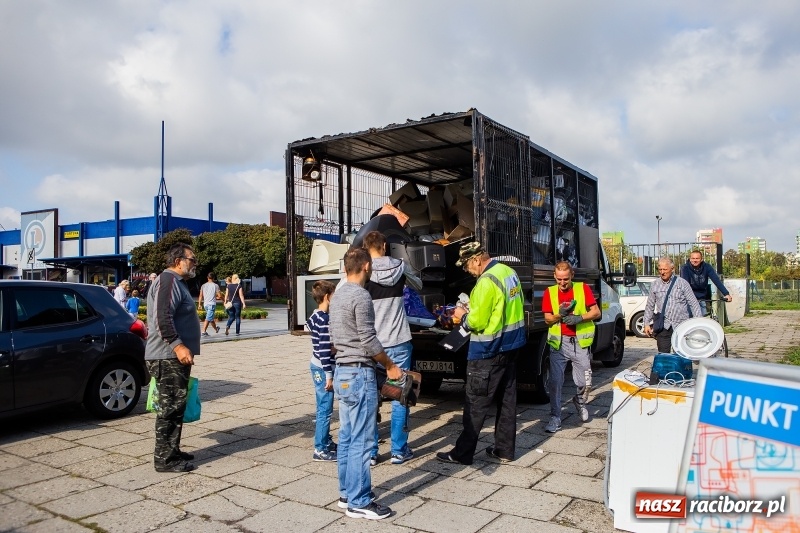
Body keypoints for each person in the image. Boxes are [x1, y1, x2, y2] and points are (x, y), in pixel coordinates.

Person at [436, 241, 525, 465]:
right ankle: (504, 450)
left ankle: (462, 454)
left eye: (466, 265)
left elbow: (477, 321)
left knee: (475, 404)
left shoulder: (485, 282)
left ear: (476, 259)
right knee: (507, 401)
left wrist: (462, 315)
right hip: (511, 346)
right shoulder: (508, 272)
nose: (466, 270)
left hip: (488, 351)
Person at [329, 247, 401, 520]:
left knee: (347, 436)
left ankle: (347, 493)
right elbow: (369, 341)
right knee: (362, 439)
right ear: (367, 267)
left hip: (343, 373)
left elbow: (335, 338)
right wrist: (390, 365)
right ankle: (359, 501)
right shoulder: (361, 295)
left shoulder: (337, 296)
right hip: (359, 374)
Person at [145, 243, 201, 473]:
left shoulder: (177, 283)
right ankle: (165, 460)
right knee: (169, 408)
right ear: (179, 261)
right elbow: (162, 318)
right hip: (166, 356)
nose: (195, 264)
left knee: (176, 406)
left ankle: (172, 450)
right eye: (192, 259)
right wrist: (178, 346)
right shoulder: (168, 281)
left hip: (172, 356)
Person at [362, 230, 415, 466]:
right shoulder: (400, 266)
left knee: (371, 397)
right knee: (400, 396)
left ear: (367, 247)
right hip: (399, 340)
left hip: (374, 345)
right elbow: (419, 283)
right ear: (384, 245)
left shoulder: (364, 271)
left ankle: (372, 452)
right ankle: (398, 450)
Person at [541, 261, 602, 433]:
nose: (562, 283)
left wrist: (579, 318)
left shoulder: (582, 289)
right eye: (559, 279)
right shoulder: (550, 292)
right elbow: (547, 319)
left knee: (585, 381)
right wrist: (559, 315)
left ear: (572, 276)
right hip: (559, 343)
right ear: (554, 276)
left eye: (565, 279)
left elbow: (596, 312)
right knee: (555, 382)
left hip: (579, 342)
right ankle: (555, 417)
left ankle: (580, 401)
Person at [306, 280, 337, 462]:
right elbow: (325, 351)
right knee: (325, 410)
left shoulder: (315, 316)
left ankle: (325, 440)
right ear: (327, 297)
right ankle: (320, 449)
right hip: (324, 368)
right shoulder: (325, 320)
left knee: (321, 408)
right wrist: (329, 375)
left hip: (315, 363)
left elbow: (320, 342)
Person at [644, 257, 702, 353]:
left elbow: (693, 303)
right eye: (660, 269)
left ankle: (679, 368)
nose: (662, 272)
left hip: (681, 325)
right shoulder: (655, 285)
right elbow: (650, 305)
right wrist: (646, 323)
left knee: (681, 354)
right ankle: (666, 368)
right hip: (663, 325)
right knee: (663, 355)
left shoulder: (682, 283)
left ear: (672, 269)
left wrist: (698, 322)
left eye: (665, 269)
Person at [680, 250, 732, 316]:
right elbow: (685, 284)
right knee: (690, 322)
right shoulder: (685, 268)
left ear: (701, 259)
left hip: (701, 298)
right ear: (690, 259)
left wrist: (726, 294)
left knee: (702, 321)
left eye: (697, 258)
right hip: (689, 299)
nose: (695, 260)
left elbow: (716, 280)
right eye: (693, 258)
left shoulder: (707, 267)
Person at [198, 272, 221, 336]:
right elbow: (219, 296)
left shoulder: (203, 285)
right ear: (213, 278)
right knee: (208, 318)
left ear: (207, 278)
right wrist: (223, 300)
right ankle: (203, 331)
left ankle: (216, 329)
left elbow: (200, 296)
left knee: (210, 318)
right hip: (211, 304)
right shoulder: (215, 285)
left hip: (205, 304)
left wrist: (199, 304)